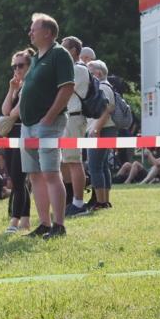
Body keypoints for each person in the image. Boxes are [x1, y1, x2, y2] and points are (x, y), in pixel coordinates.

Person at [19, 13, 75, 239]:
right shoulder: (37, 58)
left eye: (34, 29)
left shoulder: (59, 54)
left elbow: (67, 87)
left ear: (48, 33)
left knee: (51, 173)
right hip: (29, 124)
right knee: (34, 175)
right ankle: (43, 224)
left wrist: (50, 116)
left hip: (47, 123)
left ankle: (58, 225)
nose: (30, 32)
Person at [0, 50, 33, 233]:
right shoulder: (19, 87)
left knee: (19, 178)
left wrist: (10, 115)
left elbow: (14, 113)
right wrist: (12, 88)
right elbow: (6, 110)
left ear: (29, 66)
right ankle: (25, 219)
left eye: (21, 65)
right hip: (12, 135)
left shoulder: (31, 85)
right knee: (16, 178)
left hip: (23, 132)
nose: (17, 69)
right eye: (15, 66)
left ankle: (15, 219)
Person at [60, 37, 91, 217]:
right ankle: (69, 199)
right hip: (68, 118)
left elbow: (62, 88)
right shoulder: (72, 68)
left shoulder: (78, 69)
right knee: (65, 161)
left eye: (64, 48)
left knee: (73, 160)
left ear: (73, 50)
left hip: (74, 117)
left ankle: (79, 203)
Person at [85, 60, 118, 211]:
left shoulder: (103, 87)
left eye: (89, 73)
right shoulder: (107, 86)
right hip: (106, 129)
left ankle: (100, 202)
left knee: (94, 166)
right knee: (103, 166)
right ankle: (104, 201)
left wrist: (95, 129)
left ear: (97, 73)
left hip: (102, 130)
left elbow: (106, 110)